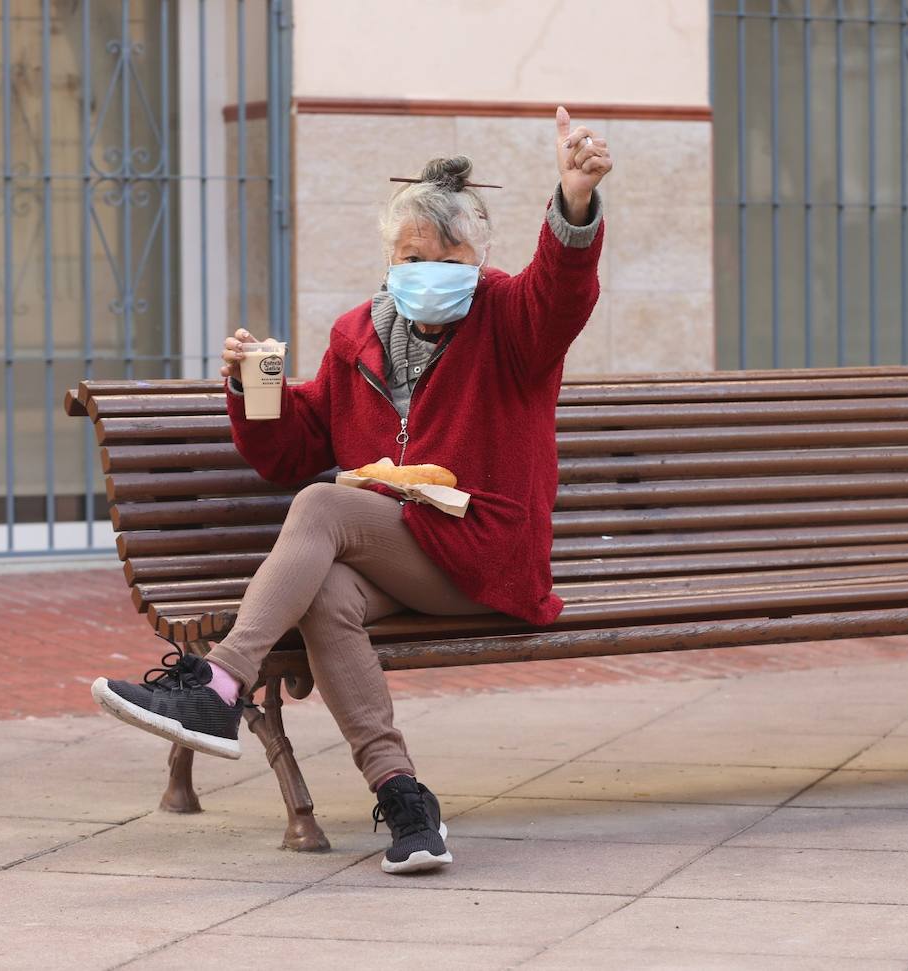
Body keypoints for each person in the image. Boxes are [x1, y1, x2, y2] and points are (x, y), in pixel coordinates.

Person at [91, 106, 613, 874]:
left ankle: (219, 682)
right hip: (403, 562)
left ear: (480, 255)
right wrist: (251, 388)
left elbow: (562, 291)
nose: (426, 267)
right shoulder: (354, 337)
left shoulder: (512, 319)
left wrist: (573, 199)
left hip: (487, 554)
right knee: (330, 590)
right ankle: (405, 799)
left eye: (446, 253)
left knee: (324, 502)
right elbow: (291, 448)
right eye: (411, 254)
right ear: (389, 261)